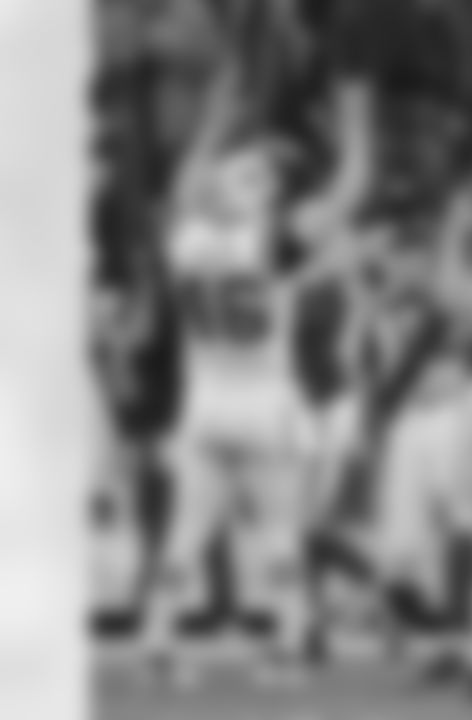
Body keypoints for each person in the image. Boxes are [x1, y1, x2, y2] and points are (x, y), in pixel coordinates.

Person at [144, 136, 317, 681]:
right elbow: (326, 212)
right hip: (264, 402)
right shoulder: (269, 238)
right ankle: (289, 646)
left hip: (206, 401)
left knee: (185, 533)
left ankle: (157, 643)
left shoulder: (188, 241)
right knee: (280, 531)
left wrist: (209, 131)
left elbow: (184, 190)